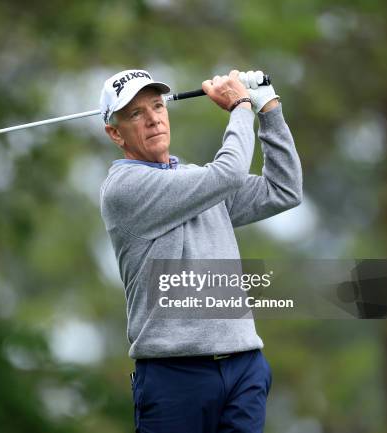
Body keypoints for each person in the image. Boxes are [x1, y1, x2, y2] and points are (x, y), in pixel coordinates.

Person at [98, 69, 302, 433]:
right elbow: (227, 174)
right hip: (175, 375)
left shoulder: (196, 179)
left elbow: (283, 188)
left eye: (157, 106)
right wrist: (241, 105)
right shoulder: (124, 190)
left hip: (243, 367)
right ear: (115, 133)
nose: (152, 118)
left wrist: (268, 107)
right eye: (135, 114)